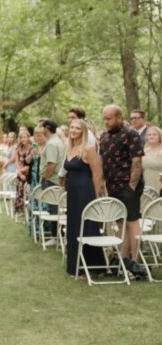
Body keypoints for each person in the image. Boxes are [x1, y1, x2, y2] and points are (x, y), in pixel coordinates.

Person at [99, 104, 145, 276]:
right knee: (120, 224)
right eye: (104, 118)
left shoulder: (131, 134)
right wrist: (103, 182)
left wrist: (131, 186)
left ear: (119, 117)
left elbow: (137, 161)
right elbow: (103, 162)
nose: (106, 121)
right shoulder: (104, 137)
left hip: (128, 186)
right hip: (112, 186)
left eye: (109, 118)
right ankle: (124, 261)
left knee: (132, 223)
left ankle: (136, 263)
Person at [63, 118, 106, 278]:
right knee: (73, 226)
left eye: (77, 128)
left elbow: (97, 174)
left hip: (85, 191)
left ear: (83, 131)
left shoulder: (88, 149)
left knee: (87, 226)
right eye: (72, 127)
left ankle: (94, 267)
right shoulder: (69, 148)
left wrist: (95, 197)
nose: (73, 130)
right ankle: (75, 267)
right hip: (72, 192)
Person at [11, 127, 33, 216]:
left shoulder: (32, 148)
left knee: (28, 193)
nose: (23, 139)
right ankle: (21, 210)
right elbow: (16, 162)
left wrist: (25, 170)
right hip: (20, 173)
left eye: (25, 137)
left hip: (29, 173)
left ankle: (29, 211)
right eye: (21, 137)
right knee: (19, 190)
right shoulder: (18, 149)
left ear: (28, 138)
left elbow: (31, 163)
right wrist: (20, 173)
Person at [142, 125, 162, 192]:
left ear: (160, 136)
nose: (151, 136)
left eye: (154, 134)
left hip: (159, 181)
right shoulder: (143, 151)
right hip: (146, 180)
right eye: (149, 135)